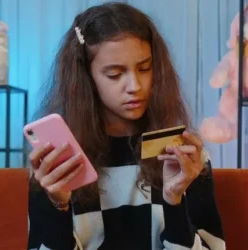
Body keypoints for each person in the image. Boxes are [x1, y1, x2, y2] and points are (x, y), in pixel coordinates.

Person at [28, 2, 225, 250]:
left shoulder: (183, 155)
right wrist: (58, 205)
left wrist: (173, 201)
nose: (135, 85)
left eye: (145, 68)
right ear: (86, 78)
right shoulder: (57, 161)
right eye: (114, 74)